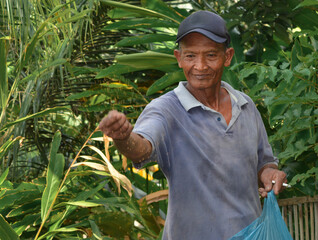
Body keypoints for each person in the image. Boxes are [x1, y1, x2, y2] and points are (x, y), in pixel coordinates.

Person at [99, 10, 287, 240]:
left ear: (227, 57)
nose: (200, 66)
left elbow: (263, 164)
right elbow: (142, 148)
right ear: (179, 58)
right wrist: (123, 137)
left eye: (210, 55)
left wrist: (270, 174)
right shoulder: (166, 110)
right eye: (190, 56)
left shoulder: (245, 106)